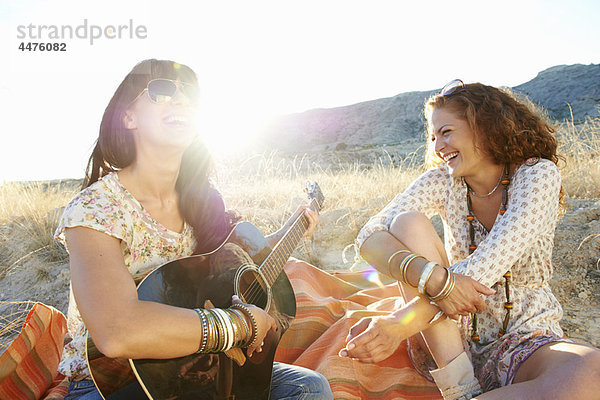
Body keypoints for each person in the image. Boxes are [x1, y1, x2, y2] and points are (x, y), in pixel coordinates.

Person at [54, 58, 333, 400]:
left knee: (308, 388)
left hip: (197, 367)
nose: (182, 100)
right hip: (113, 384)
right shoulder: (96, 208)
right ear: (128, 117)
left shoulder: (200, 202)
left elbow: (237, 261)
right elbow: (116, 333)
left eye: (191, 95)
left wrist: (295, 226)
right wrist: (241, 325)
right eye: (162, 90)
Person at [339, 80, 600, 399]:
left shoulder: (536, 175)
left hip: (523, 338)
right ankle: (459, 388)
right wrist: (433, 279)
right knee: (407, 223)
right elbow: (368, 235)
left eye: (446, 132)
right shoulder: (443, 181)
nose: (437, 146)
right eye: (433, 136)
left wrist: (398, 324)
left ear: (485, 127)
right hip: (447, 339)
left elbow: (483, 271)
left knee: (591, 372)